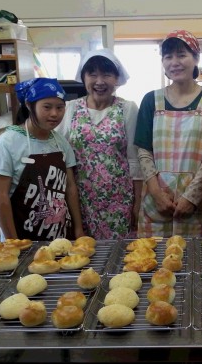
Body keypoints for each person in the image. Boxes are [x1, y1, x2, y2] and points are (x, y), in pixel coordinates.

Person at [134, 29, 202, 238]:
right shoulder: (151, 100)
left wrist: (191, 197)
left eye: (181, 55)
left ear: (196, 58)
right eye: (168, 57)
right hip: (157, 201)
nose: (174, 62)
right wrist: (157, 194)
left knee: (195, 256)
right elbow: (144, 151)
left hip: (198, 200)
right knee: (151, 255)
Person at [55, 49, 142, 239]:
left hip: (119, 201)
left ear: (117, 78)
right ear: (84, 77)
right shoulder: (70, 108)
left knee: (119, 252)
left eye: (107, 74)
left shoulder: (127, 109)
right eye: (92, 74)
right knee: (83, 251)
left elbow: (134, 159)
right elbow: (54, 145)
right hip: (80, 202)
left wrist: (137, 204)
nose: (99, 81)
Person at [0, 77, 84, 241]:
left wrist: (78, 229)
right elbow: (1, 197)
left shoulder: (60, 142)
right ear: (29, 105)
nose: (54, 113)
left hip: (59, 235)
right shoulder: (7, 143)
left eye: (60, 107)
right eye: (47, 107)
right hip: (21, 236)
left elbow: (70, 187)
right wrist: (12, 241)